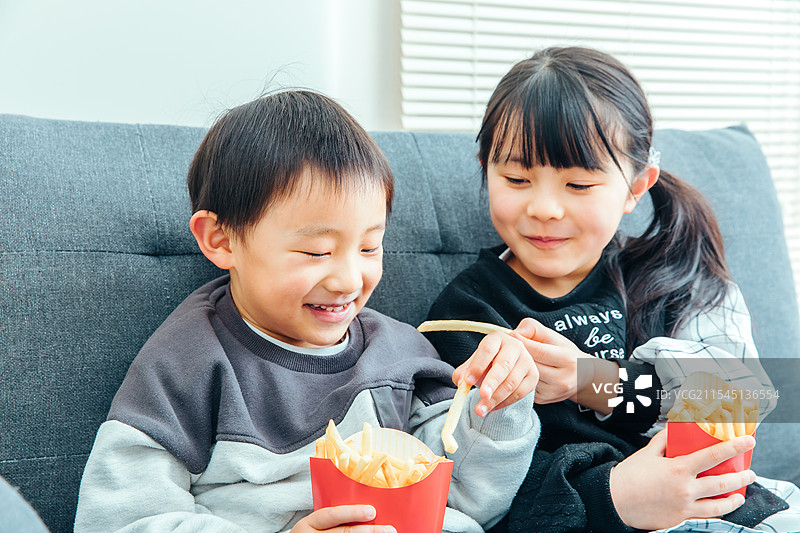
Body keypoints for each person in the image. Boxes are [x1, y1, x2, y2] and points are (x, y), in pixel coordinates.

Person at [73, 90, 541, 533]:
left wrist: (501, 403)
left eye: (369, 247)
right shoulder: (187, 363)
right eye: (317, 252)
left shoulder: (400, 355)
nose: (348, 280)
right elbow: (121, 519)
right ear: (222, 239)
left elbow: (467, 496)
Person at [424, 46, 799, 532]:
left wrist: (594, 381)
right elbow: (465, 485)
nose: (544, 209)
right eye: (516, 179)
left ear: (636, 187)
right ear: (486, 168)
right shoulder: (467, 314)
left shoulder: (674, 275)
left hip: (724, 512)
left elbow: (744, 398)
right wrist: (613, 497)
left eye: (579, 185)